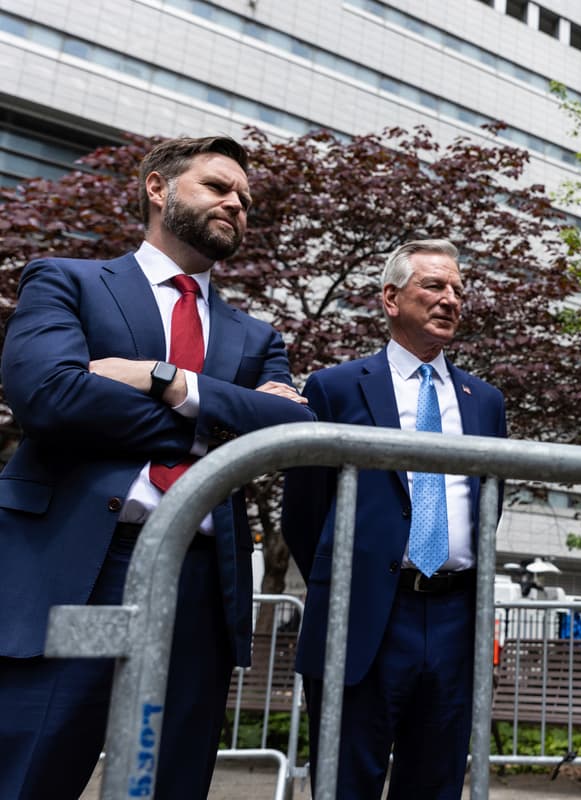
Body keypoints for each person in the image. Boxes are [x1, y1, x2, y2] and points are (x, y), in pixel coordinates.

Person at [0, 135, 314, 798]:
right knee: (31, 774)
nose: (236, 203)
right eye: (218, 187)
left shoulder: (258, 338)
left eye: (245, 199)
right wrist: (218, 427)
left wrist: (163, 379)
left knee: (172, 781)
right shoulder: (66, 280)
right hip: (79, 563)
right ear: (157, 188)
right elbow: (50, 399)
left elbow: (295, 432)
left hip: (201, 582)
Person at [281, 239, 507, 799]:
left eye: (458, 289)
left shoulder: (485, 402)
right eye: (434, 286)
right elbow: (305, 511)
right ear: (390, 298)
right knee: (345, 781)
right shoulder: (335, 388)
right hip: (363, 618)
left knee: (435, 782)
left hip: (457, 619)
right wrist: (347, 585)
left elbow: (488, 509)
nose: (451, 299)